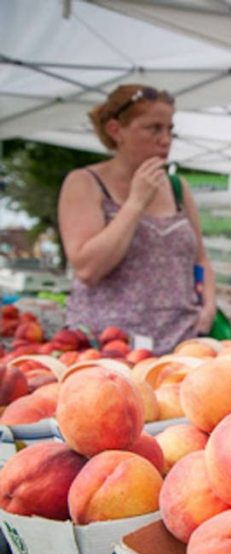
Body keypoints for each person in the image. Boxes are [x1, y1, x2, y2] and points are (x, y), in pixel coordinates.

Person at [58, 84, 216, 354]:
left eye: (170, 130)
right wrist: (136, 203)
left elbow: (199, 257)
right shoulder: (85, 183)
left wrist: (208, 306)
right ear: (115, 130)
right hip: (111, 348)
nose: (165, 139)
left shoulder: (177, 187)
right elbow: (88, 269)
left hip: (181, 343)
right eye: (154, 128)